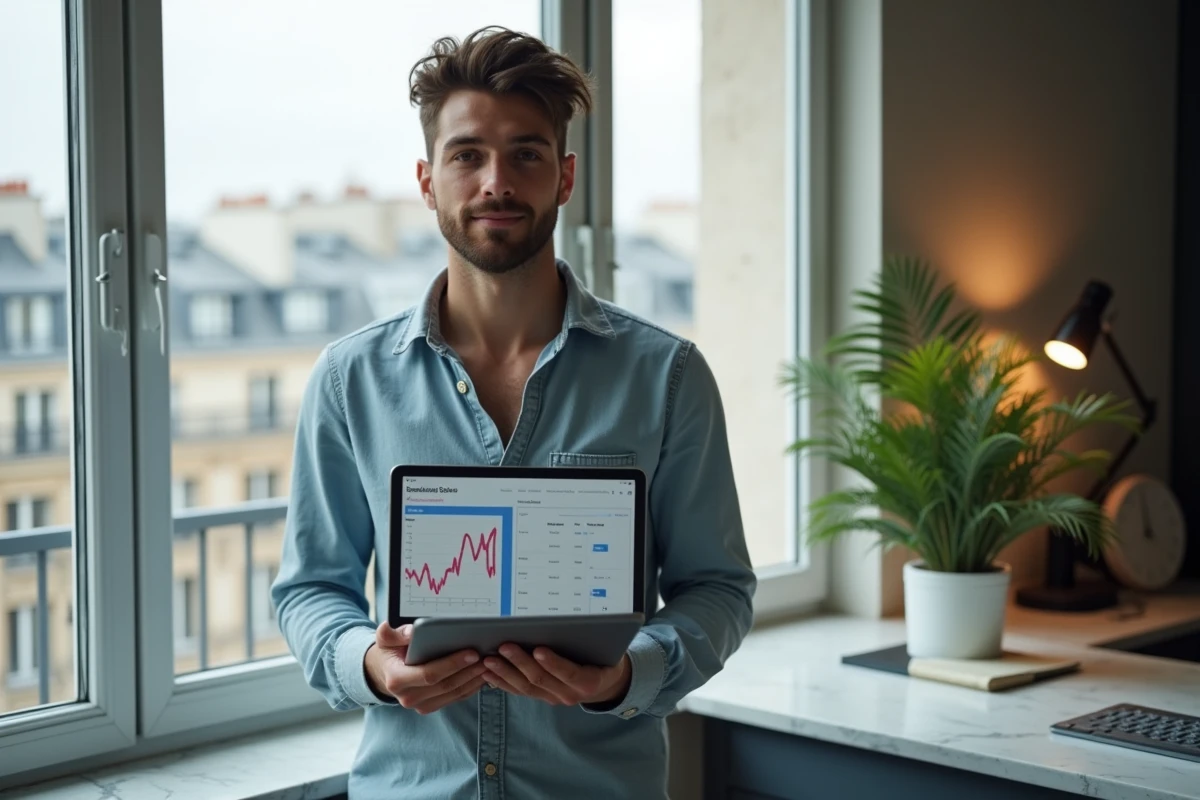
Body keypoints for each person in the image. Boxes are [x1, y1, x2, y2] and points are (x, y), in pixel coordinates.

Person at [272, 25, 756, 799]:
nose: (496, 181)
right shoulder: (347, 380)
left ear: (564, 177)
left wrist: (626, 676)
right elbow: (310, 589)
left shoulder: (668, 377)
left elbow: (719, 588)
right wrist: (372, 663)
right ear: (428, 180)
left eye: (525, 153)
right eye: (468, 155)